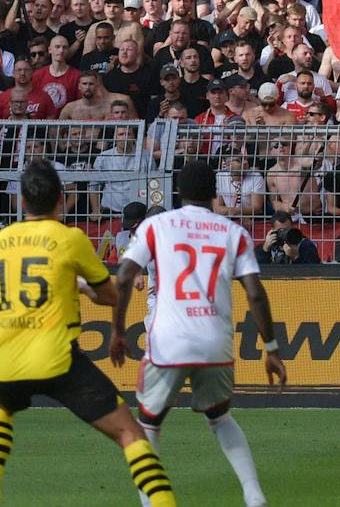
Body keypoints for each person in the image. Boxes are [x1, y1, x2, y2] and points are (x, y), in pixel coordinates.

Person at [0, 159, 176, 507]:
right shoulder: (70, 238)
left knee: (0, 406)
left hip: (6, 360)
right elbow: (111, 296)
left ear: (22, 203)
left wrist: (1, 290)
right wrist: (84, 290)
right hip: (58, 359)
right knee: (130, 433)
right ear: (61, 200)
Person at [110, 160, 288, 507]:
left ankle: (151, 503)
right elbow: (255, 293)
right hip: (214, 341)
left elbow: (123, 276)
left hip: (168, 342)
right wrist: (271, 348)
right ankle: (253, 495)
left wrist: (118, 330)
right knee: (220, 417)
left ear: (178, 191)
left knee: (147, 424)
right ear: (214, 193)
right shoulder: (233, 232)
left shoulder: (155, 225)